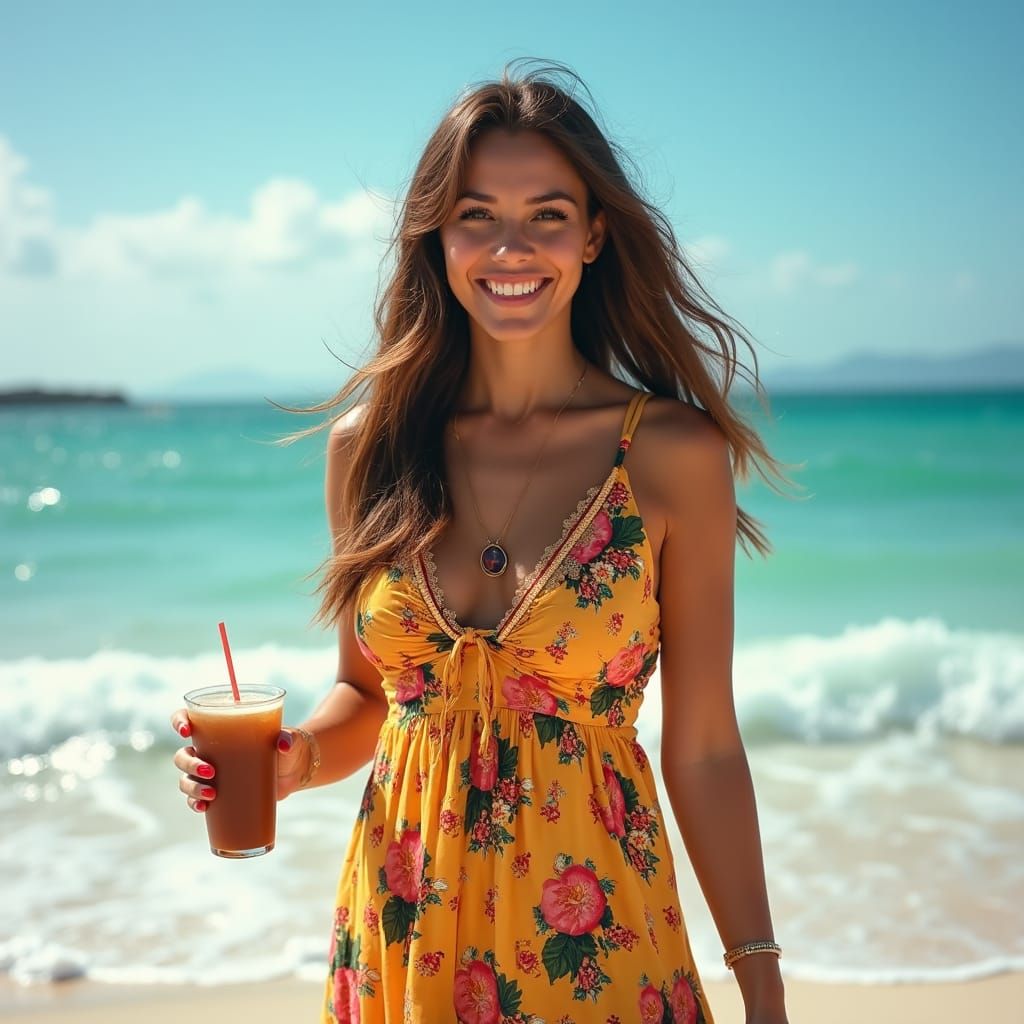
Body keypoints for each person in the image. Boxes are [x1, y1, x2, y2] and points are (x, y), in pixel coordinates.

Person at [171, 58, 795, 1024]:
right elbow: (371, 698)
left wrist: (761, 980)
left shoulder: (668, 453)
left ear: (593, 235)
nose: (512, 247)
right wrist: (296, 762)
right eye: (477, 215)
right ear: (437, 236)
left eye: (547, 214)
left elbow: (706, 745)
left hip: (599, 951)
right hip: (401, 937)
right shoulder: (367, 450)